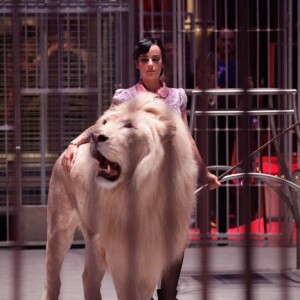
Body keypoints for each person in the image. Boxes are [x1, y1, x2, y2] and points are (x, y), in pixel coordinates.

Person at [62, 37, 220, 300]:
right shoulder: (125, 97)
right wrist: (75, 142)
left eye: (155, 59)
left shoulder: (177, 97)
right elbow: (104, 127)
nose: (150, 64)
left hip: (170, 185)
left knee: (173, 244)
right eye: (145, 59)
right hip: (134, 188)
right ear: (137, 63)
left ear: (163, 64)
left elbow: (188, 138)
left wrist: (203, 172)